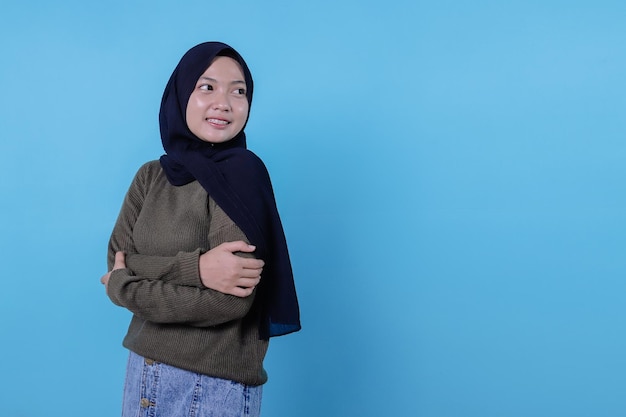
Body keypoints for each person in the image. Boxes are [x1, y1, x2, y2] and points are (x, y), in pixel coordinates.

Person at [100, 41, 301, 417]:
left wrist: (126, 279)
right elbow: (114, 263)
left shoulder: (242, 176)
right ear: (181, 95)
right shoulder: (151, 176)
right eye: (207, 87)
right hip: (142, 372)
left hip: (211, 387)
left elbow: (229, 300)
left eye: (238, 91)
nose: (224, 103)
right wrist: (199, 269)